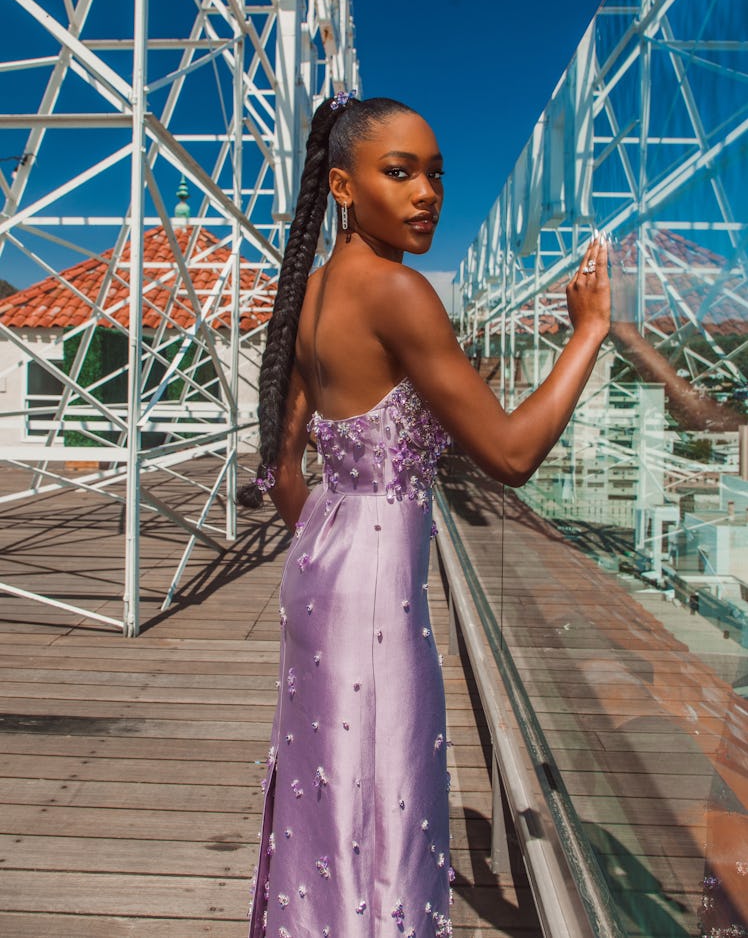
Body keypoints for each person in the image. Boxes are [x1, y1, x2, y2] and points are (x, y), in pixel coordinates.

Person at [244, 93, 610, 938]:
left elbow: (285, 462)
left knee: (330, 797)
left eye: (437, 174)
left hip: (320, 567)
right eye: (399, 172)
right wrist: (587, 332)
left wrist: (329, 540)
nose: (427, 194)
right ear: (342, 184)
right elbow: (512, 456)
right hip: (374, 593)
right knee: (382, 809)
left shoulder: (311, 292)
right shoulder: (399, 295)